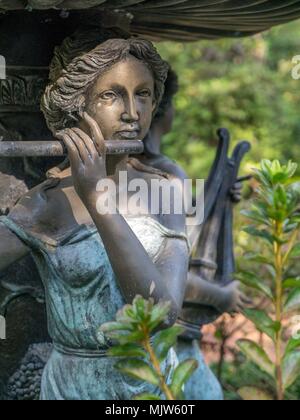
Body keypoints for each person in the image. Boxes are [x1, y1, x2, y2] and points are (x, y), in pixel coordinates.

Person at [0, 32, 190, 400]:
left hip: (149, 385)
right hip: (73, 386)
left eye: (143, 94)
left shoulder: (164, 190)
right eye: (111, 95)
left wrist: (97, 197)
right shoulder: (45, 205)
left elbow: (161, 311)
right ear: (77, 107)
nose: (132, 113)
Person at [137, 68, 250, 400]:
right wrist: (222, 296)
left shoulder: (130, 170)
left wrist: (219, 200)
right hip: (162, 343)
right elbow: (168, 272)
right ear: (163, 109)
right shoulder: (166, 174)